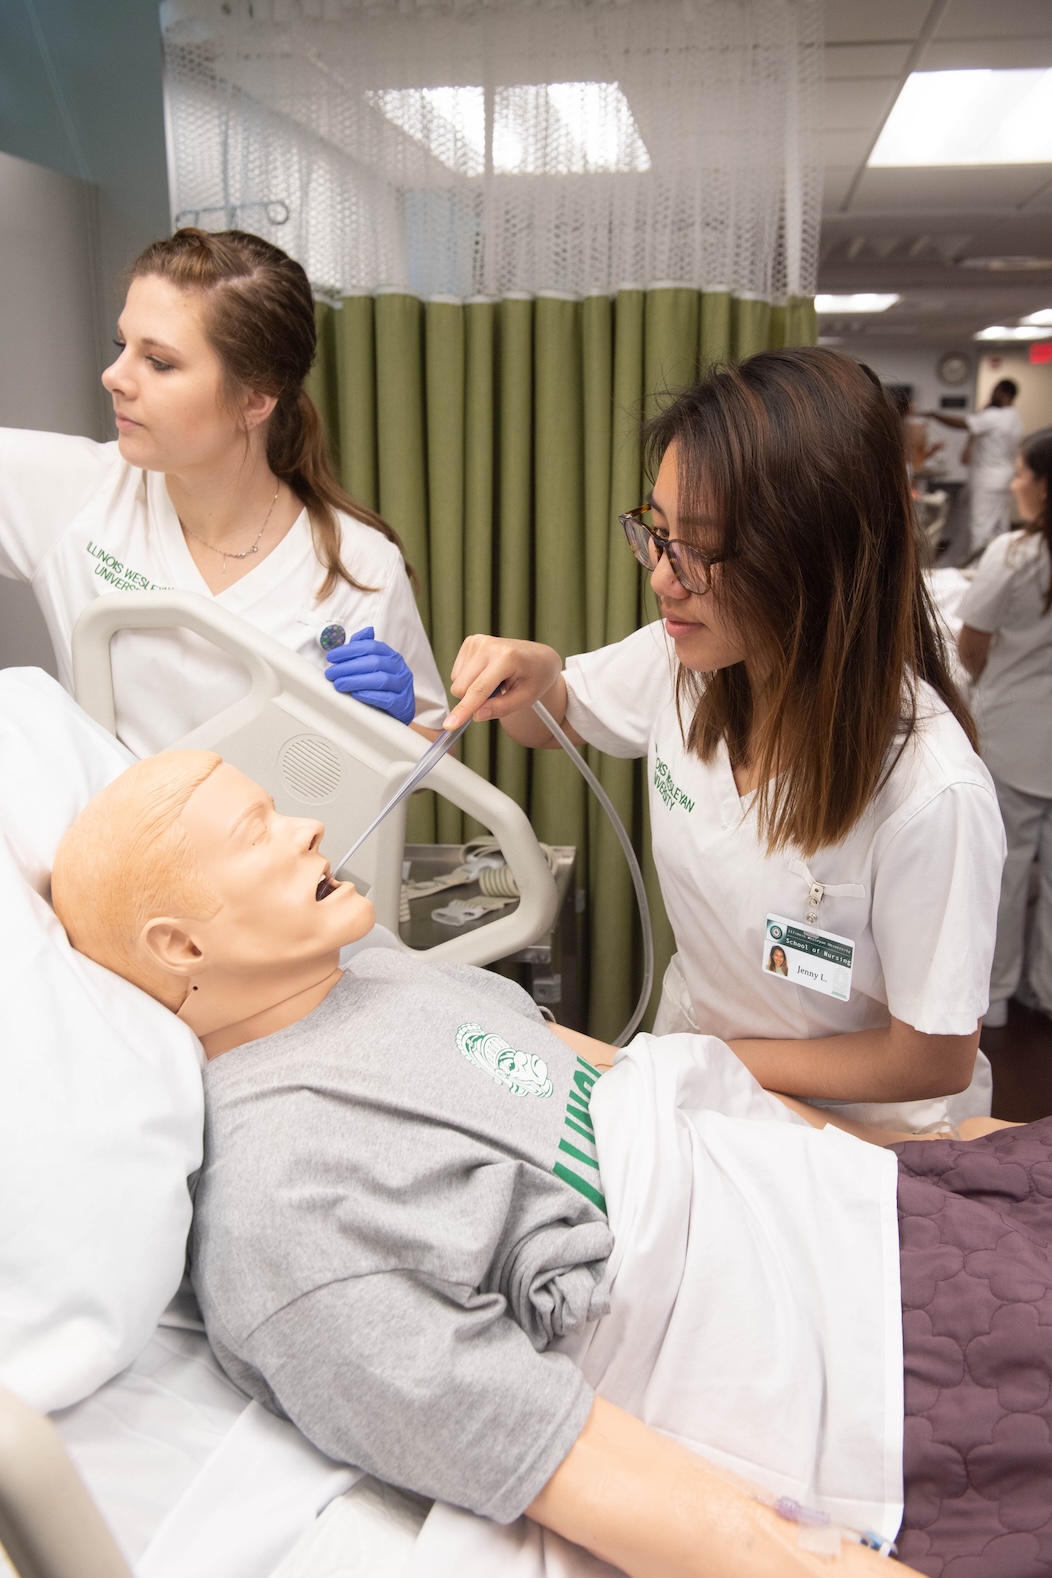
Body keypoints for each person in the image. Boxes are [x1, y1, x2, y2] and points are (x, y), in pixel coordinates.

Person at [49, 748, 1049, 1578]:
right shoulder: (283, 1214)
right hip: (854, 1356)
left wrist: (910, 1158)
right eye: (255, 831)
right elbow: (563, 1455)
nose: (307, 828)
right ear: (180, 947)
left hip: (856, 1207)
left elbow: (616, 1077)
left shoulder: (367, 968)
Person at [445, 349, 1007, 1131]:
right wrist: (537, 676)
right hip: (701, 1085)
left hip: (853, 1134)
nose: (661, 578)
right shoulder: (689, 662)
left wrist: (713, 1064)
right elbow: (556, 722)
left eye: (698, 550)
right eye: (657, 532)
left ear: (814, 555)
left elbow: (933, 1057)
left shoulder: (930, 794)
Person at [0, 228, 445, 758]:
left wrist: (397, 728)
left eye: (159, 362)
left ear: (255, 401)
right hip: (112, 815)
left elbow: (424, 755)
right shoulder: (76, 492)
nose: (113, 376)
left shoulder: (359, 567)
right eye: (122, 346)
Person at [957, 428, 1052, 1028]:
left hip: (1015, 735)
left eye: (1020, 473)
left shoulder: (1014, 556)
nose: (1013, 483)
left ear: (1044, 485)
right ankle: (1046, 990)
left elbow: (971, 647)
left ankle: (994, 997)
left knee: (1006, 871)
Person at [925, 379, 1023, 556]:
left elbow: (963, 423)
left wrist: (934, 414)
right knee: (999, 526)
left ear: (1005, 394)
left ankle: (979, 567)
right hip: (1003, 479)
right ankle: (1000, 561)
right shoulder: (1014, 417)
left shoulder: (995, 416)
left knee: (980, 527)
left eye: (995, 390)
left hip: (988, 480)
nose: (991, 395)